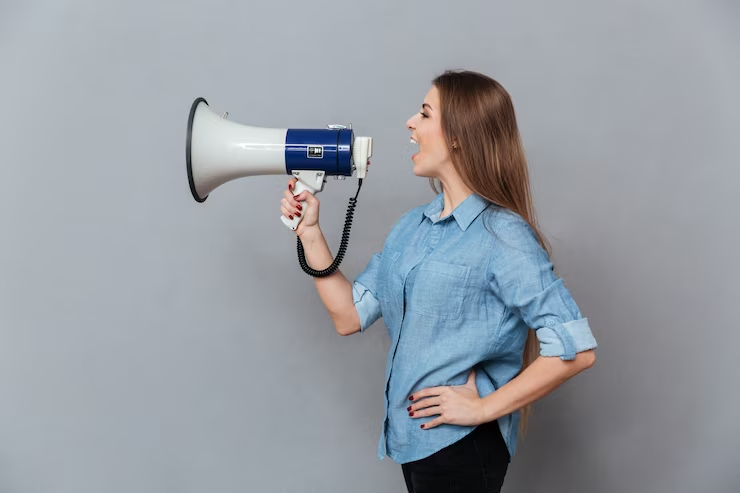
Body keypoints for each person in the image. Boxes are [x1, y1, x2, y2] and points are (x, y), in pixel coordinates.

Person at [279, 69, 598, 493]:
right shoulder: (413, 227)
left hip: (462, 447)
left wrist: (483, 408)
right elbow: (349, 314)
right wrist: (311, 233)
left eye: (425, 114)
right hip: (414, 444)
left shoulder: (502, 236)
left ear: (459, 137)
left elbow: (576, 351)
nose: (410, 122)